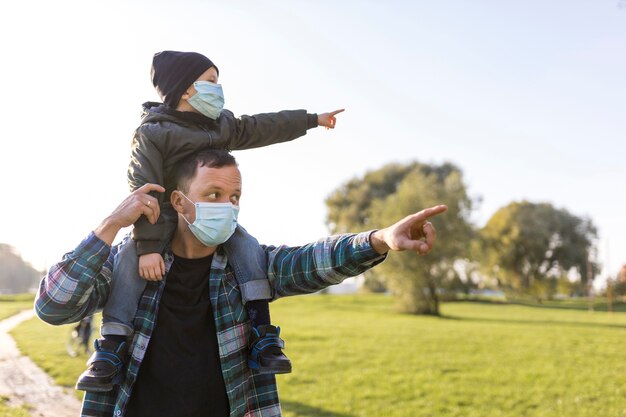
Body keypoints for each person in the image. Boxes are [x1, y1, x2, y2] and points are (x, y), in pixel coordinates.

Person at [34, 149, 447, 417]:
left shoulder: (247, 266)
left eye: (234, 198)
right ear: (179, 202)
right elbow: (54, 306)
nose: (226, 207)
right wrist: (110, 226)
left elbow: (311, 260)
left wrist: (379, 239)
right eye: (212, 194)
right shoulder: (132, 263)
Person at [76, 50, 345, 392]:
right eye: (211, 82)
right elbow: (144, 190)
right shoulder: (153, 132)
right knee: (128, 261)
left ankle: (263, 332)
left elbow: (262, 127)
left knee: (246, 245)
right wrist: (147, 246)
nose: (218, 89)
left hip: (209, 215)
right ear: (184, 90)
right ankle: (110, 349)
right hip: (162, 218)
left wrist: (311, 119)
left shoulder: (221, 125)